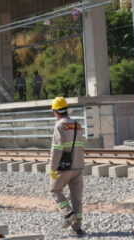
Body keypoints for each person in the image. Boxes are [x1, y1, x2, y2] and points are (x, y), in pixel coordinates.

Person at [48, 96, 85, 237]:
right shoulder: (77, 124)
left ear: (56, 112)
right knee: (77, 197)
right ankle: (78, 228)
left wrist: (52, 167)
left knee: (54, 190)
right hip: (78, 166)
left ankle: (68, 214)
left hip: (64, 167)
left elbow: (57, 149)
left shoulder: (59, 125)